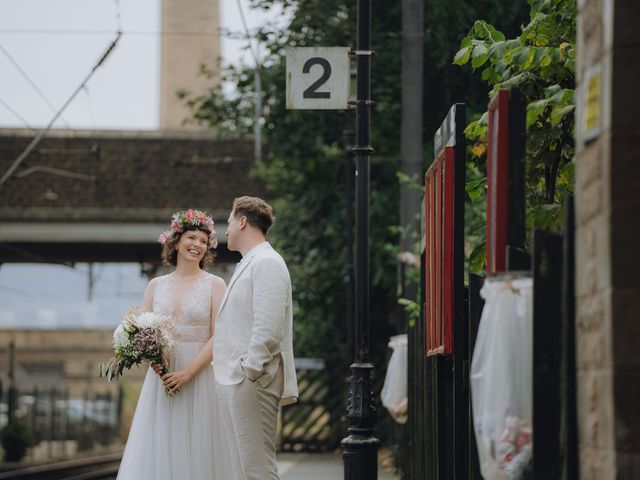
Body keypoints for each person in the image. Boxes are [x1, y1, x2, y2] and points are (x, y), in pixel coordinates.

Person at [117, 209, 240, 479]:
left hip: (201, 375)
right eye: (191, 238)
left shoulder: (215, 285)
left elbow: (219, 335)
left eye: (203, 241)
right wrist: (156, 363)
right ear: (176, 240)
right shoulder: (155, 286)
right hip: (164, 377)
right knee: (163, 442)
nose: (197, 245)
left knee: (200, 445)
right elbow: (142, 331)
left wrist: (188, 373)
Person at [213, 196, 298, 480]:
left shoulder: (267, 262)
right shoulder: (251, 262)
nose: (225, 230)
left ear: (243, 221)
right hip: (242, 379)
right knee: (243, 467)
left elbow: (268, 325)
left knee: (257, 468)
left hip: (253, 379)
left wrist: (250, 368)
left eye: (228, 222)